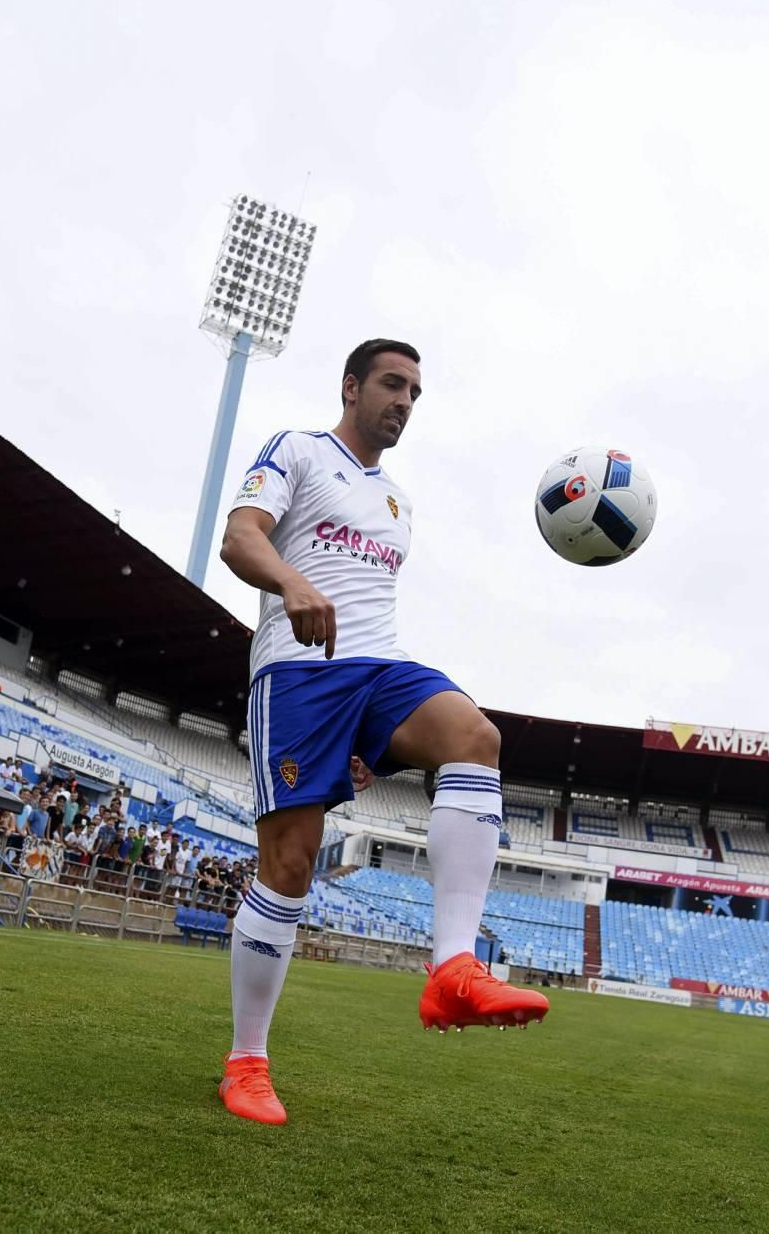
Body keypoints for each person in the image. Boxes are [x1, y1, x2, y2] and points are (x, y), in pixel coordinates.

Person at [217, 338, 549, 1126]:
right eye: (393, 384)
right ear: (351, 386)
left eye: (415, 392)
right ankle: (246, 1061)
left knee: (476, 737)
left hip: (377, 668)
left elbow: (370, 604)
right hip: (297, 676)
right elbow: (239, 537)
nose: (404, 400)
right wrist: (292, 579)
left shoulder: (399, 504)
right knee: (289, 866)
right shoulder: (296, 450)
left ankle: (454, 969)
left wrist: (376, 742)